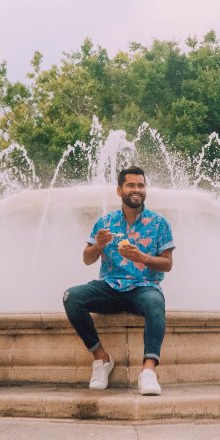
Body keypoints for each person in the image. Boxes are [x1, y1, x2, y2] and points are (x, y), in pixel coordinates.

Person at [62, 166, 175, 396]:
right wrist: (98, 246)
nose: (137, 190)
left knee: (156, 302)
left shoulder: (159, 223)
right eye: (131, 185)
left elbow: (167, 264)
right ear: (119, 190)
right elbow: (87, 259)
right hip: (110, 287)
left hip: (144, 287)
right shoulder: (106, 222)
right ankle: (101, 358)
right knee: (71, 296)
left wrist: (142, 257)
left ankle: (148, 371)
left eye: (141, 185)